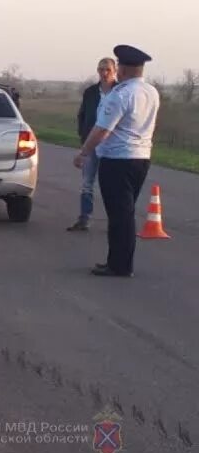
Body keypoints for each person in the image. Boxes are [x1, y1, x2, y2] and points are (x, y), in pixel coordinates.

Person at [74, 45, 159, 278]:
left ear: (122, 69)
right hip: (141, 158)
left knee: (119, 215)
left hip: (117, 159)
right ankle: (118, 261)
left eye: (118, 66)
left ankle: (120, 265)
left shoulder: (120, 95)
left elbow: (102, 129)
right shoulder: (151, 92)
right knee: (126, 212)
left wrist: (84, 152)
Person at [67, 57, 118, 231]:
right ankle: (84, 218)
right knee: (87, 182)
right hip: (91, 142)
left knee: (111, 184)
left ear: (115, 70)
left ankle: (116, 221)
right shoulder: (90, 92)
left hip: (112, 146)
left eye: (108, 70)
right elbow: (82, 115)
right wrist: (83, 135)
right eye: (101, 69)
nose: (104, 73)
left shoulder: (120, 91)